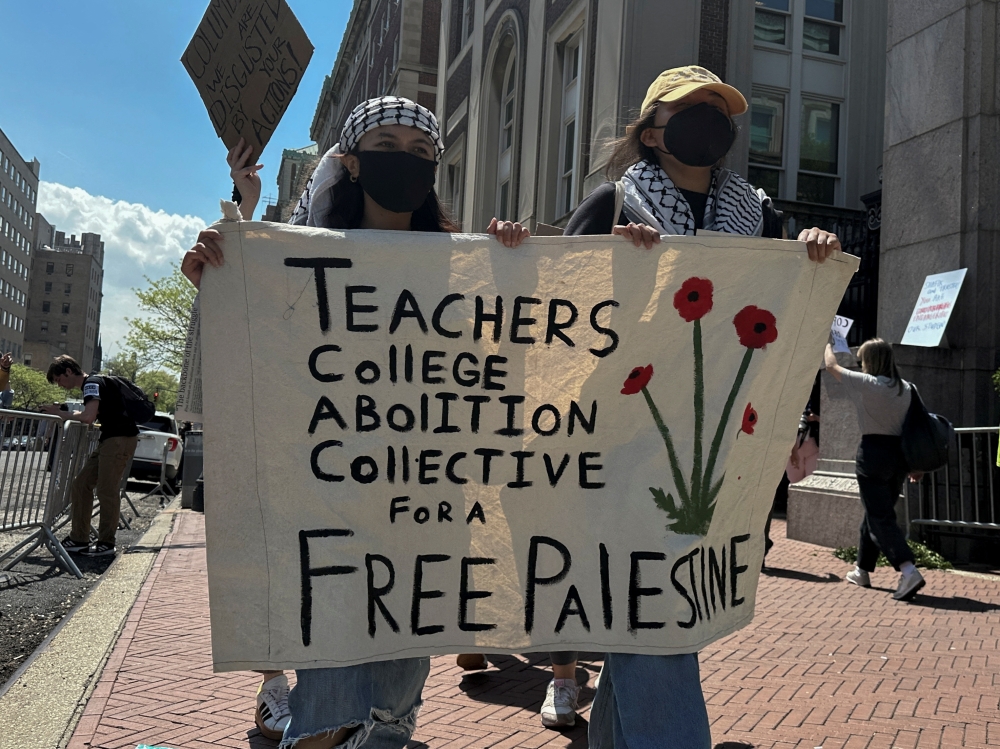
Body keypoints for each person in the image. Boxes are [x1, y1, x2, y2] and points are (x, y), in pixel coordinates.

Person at [182, 96, 528, 749]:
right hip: (331, 505)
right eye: (386, 146)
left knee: (394, 703)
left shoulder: (463, 262)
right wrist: (225, 277)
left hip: (423, 507)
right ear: (351, 162)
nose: (405, 160)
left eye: (420, 151)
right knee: (332, 701)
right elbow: (266, 349)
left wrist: (517, 262)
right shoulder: (307, 257)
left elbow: (497, 366)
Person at [563, 65, 842, 749]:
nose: (711, 121)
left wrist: (811, 256)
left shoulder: (760, 217)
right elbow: (556, 309)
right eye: (693, 109)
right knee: (659, 610)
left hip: (712, 451)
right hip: (622, 445)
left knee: (648, 611)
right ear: (653, 132)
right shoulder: (614, 204)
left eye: (721, 111)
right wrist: (614, 266)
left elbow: (786, 319)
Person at [824, 338, 926, 601]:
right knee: (876, 511)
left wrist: (827, 343)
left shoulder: (868, 383)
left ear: (870, 361)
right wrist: (917, 464)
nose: (861, 364)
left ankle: (908, 569)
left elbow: (831, 366)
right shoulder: (908, 388)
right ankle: (862, 569)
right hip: (900, 457)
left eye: (862, 360)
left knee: (880, 516)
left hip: (873, 453)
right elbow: (918, 426)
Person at [42, 355, 140, 557]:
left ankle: (106, 542)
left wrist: (61, 414)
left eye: (59, 380)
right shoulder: (95, 382)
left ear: (68, 371)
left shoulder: (91, 384)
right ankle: (79, 538)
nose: (60, 385)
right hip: (111, 439)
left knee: (107, 490)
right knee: (81, 484)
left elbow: (88, 416)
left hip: (118, 440)